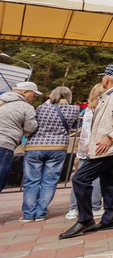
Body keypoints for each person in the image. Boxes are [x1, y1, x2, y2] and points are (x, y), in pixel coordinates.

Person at [60, 65, 113, 239]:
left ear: (106, 79)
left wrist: (109, 138)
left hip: (109, 146)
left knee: (80, 179)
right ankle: (109, 219)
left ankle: (85, 219)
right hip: (108, 146)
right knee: (110, 181)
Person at [22, 86, 81, 222]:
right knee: (50, 181)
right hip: (58, 147)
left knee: (31, 181)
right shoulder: (74, 109)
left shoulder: (42, 108)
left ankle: (28, 214)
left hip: (35, 146)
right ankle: (41, 212)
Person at [67, 84, 105, 220]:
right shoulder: (100, 109)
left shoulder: (88, 109)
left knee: (80, 177)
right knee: (95, 177)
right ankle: (94, 206)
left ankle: (73, 207)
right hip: (95, 146)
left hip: (84, 146)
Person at [0, 81, 41, 192]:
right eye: (34, 94)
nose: (34, 97)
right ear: (25, 92)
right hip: (4, 144)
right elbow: (30, 128)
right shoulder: (26, 107)